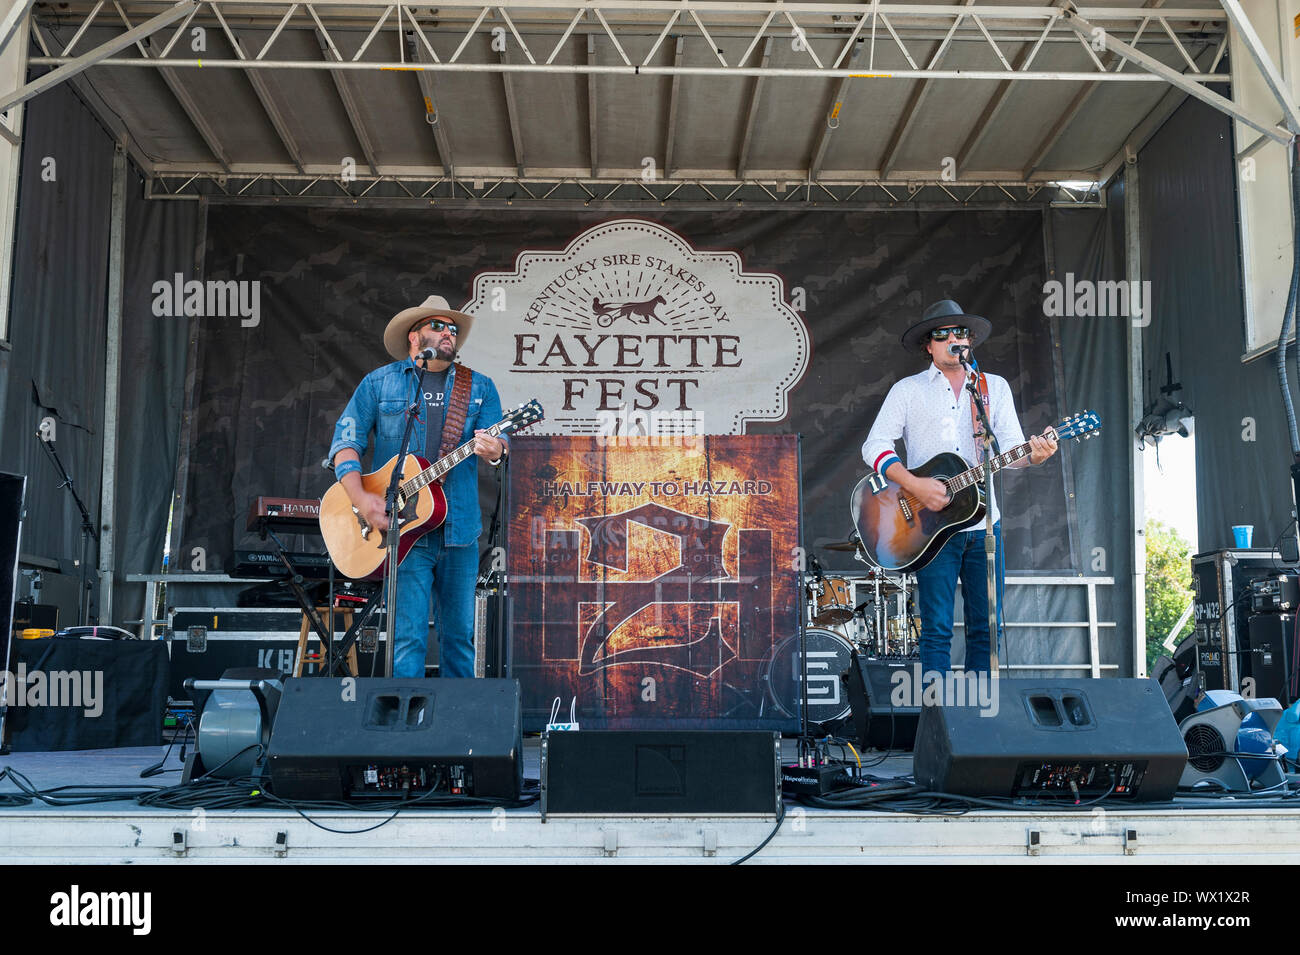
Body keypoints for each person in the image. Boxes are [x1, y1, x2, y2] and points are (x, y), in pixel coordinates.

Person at [860, 299, 1058, 677]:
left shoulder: (992, 388)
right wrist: (916, 483)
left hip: (985, 526)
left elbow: (1012, 452)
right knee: (936, 630)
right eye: (943, 333)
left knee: (986, 629)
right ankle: (939, 723)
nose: (954, 338)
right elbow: (874, 445)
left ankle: (979, 722)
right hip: (930, 527)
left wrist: (1037, 455)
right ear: (929, 345)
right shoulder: (908, 390)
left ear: (970, 343)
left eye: (961, 332)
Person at [328, 294, 507, 678]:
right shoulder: (379, 383)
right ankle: (404, 731)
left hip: (458, 531)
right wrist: (361, 499)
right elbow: (345, 443)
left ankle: (458, 732)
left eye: (453, 329)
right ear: (414, 336)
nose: (448, 334)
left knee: (460, 639)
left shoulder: (479, 387)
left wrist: (496, 449)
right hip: (403, 533)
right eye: (438, 326)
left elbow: (501, 445)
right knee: (407, 639)